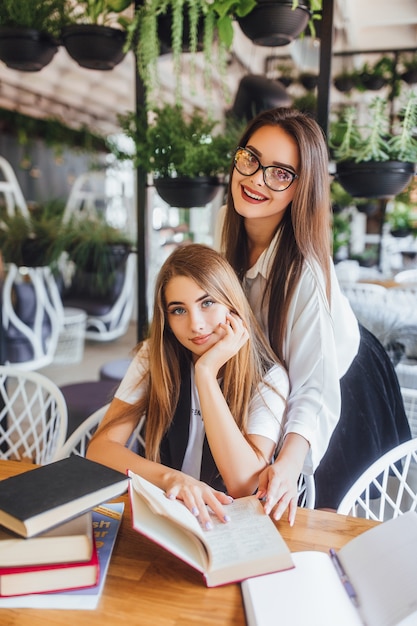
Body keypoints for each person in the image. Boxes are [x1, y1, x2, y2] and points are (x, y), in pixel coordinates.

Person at [220, 106, 411, 515]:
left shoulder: (304, 270)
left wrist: (289, 463)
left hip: (339, 376)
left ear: (301, 187)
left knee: (321, 513)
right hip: (281, 373)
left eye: (280, 172)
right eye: (250, 158)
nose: (255, 179)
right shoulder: (226, 223)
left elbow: (314, 388)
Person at [87, 243, 289, 529]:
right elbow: (100, 449)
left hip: (232, 523)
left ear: (231, 302)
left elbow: (245, 484)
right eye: (178, 310)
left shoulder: (268, 375)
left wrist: (206, 373)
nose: (196, 325)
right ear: (166, 318)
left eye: (207, 303)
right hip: (166, 513)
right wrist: (173, 479)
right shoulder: (154, 355)